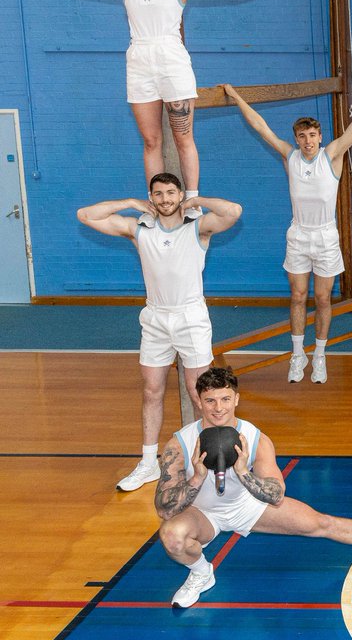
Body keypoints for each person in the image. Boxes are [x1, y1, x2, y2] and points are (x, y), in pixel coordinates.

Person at [6, 0, 302, 203]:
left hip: (171, 56)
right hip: (139, 57)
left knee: (183, 136)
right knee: (151, 140)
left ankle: (193, 199)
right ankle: (155, 200)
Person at [154, 367, 352, 608]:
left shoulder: (256, 439)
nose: (218, 408)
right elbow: (163, 508)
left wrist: (242, 473)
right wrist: (196, 478)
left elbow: (276, 495)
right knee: (172, 536)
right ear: (199, 401)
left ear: (237, 399)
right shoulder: (180, 443)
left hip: (248, 506)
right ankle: (202, 573)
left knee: (322, 523)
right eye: (210, 400)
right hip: (203, 513)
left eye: (226, 399)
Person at [77, 173, 242, 492]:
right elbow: (85, 215)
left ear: (180, 195)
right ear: (150, 198)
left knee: (200, 393)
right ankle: (148, 463)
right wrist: (128, 203)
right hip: (155, 318)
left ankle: (205, 460)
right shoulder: (139, 229)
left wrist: (198, 201)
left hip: (191, 317)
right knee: (152, 390)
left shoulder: (197, 226)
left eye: (171, 192)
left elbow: (233, 211)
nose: (165, 199)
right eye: (158, 194)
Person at [225, 73, 352, 385]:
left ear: (320, 136)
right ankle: (297, 353)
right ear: (297, 139)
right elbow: (260, 126)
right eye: (302, 136)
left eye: (312, 135)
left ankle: (320, 354)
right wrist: (235, 95)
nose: (308, 141)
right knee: (298, 295)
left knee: (324, 298)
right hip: (298, 235)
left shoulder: (332, 155)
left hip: (326, 236)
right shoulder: (290, 156)